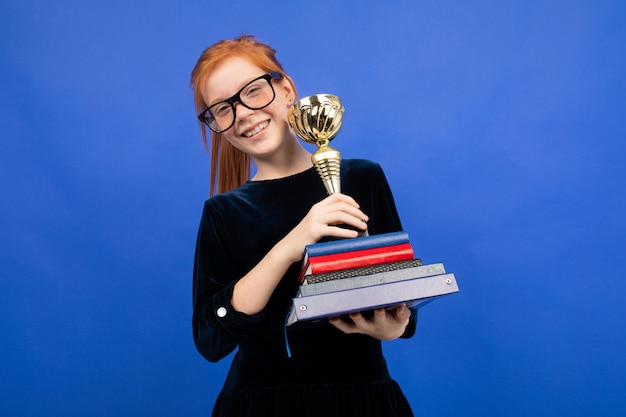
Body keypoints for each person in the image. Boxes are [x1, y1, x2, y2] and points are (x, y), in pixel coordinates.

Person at [191, 35, 418, 417]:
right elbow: (211, 339)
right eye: (222, 109)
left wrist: (393, 327)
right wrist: (290, 245)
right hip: (262, 404)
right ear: (216, 124)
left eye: (252, 91)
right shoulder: (223, 212)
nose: (243, 112)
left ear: (287, 90)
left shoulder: (363, 177)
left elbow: (402, 296)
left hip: (364, 399)